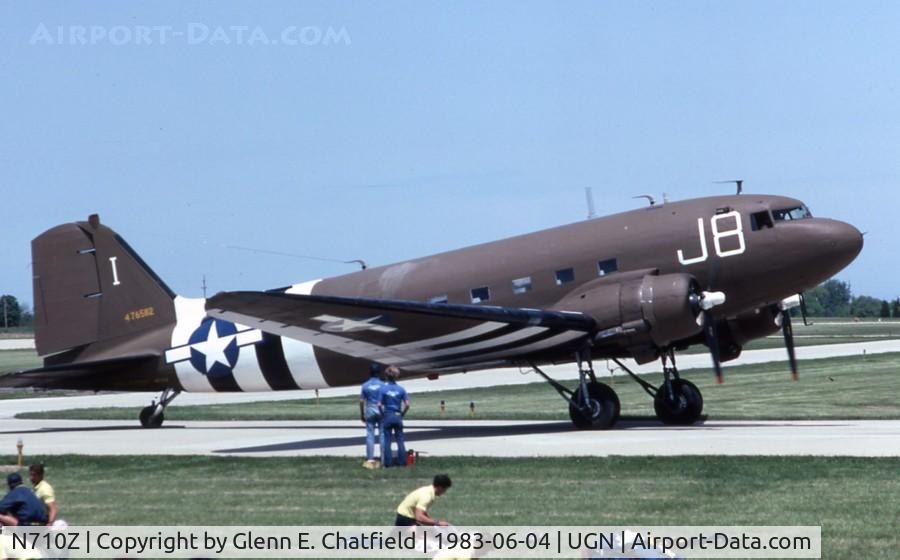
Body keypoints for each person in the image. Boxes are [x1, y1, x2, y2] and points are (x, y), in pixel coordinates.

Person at [379, 365, 410, 467]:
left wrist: (382, 414)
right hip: (397, 415)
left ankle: (388, 463)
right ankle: (402, 462)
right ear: (396, 376)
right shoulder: (401, 389)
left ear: (386, 376)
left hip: (387, 415)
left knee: (387, 440)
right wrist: (402, 414)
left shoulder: (383, 389)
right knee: (400, 439)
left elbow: (379, 404)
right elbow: (407, 404)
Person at [359, 363, 385, 469]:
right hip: (381, 409)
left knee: (370, 434)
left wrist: (362, 413)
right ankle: (384, 458)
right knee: (383, 434)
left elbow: (361, 401)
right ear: (379, 372)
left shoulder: (365, 385)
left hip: (370, 409)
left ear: (370, 372)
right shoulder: (383, 384)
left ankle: (370, 458)